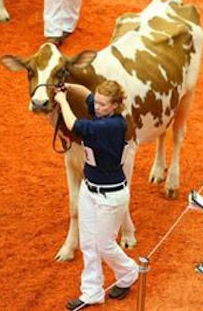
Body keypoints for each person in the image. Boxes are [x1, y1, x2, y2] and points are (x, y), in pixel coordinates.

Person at [54, 80, 138, 310]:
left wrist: (61, 100)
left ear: (114, 106)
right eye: (98, 103)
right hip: (89, 188)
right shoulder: (103, 113)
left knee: (104, 244)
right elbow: (88, 96)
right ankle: (91, 292)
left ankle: (129, 272)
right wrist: (68, 86)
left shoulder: (110, 127)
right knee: (88, 244)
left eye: (102, 104)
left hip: (111, 196)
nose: (96, 107)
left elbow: (73, 125)